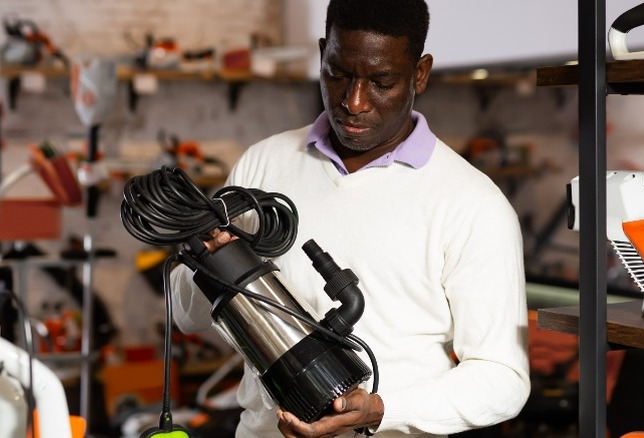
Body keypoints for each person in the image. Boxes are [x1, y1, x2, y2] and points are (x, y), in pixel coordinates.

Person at [171, 0, 531, 436]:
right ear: (323, 53)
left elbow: (503, 379)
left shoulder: (472, 203)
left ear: (420, 73)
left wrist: (382, 409)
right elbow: (187, 316)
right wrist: (202, 257)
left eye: (382, 81)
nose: (353, 102)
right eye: (338, 74)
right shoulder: (263, 165)